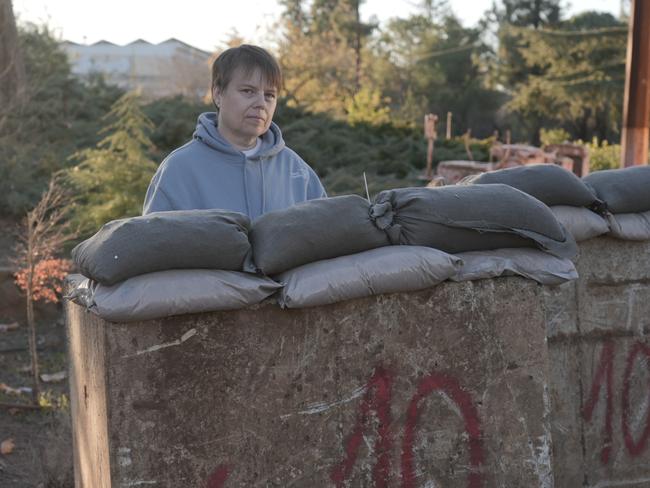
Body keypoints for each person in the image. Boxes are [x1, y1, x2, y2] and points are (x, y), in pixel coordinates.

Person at [142, 44, 326, 219]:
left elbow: (326, 240)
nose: (261, 103)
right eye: (248, 91)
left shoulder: (296, 170)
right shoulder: (178, 170)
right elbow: (154, 247)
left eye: (269, 95)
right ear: (218, 94)